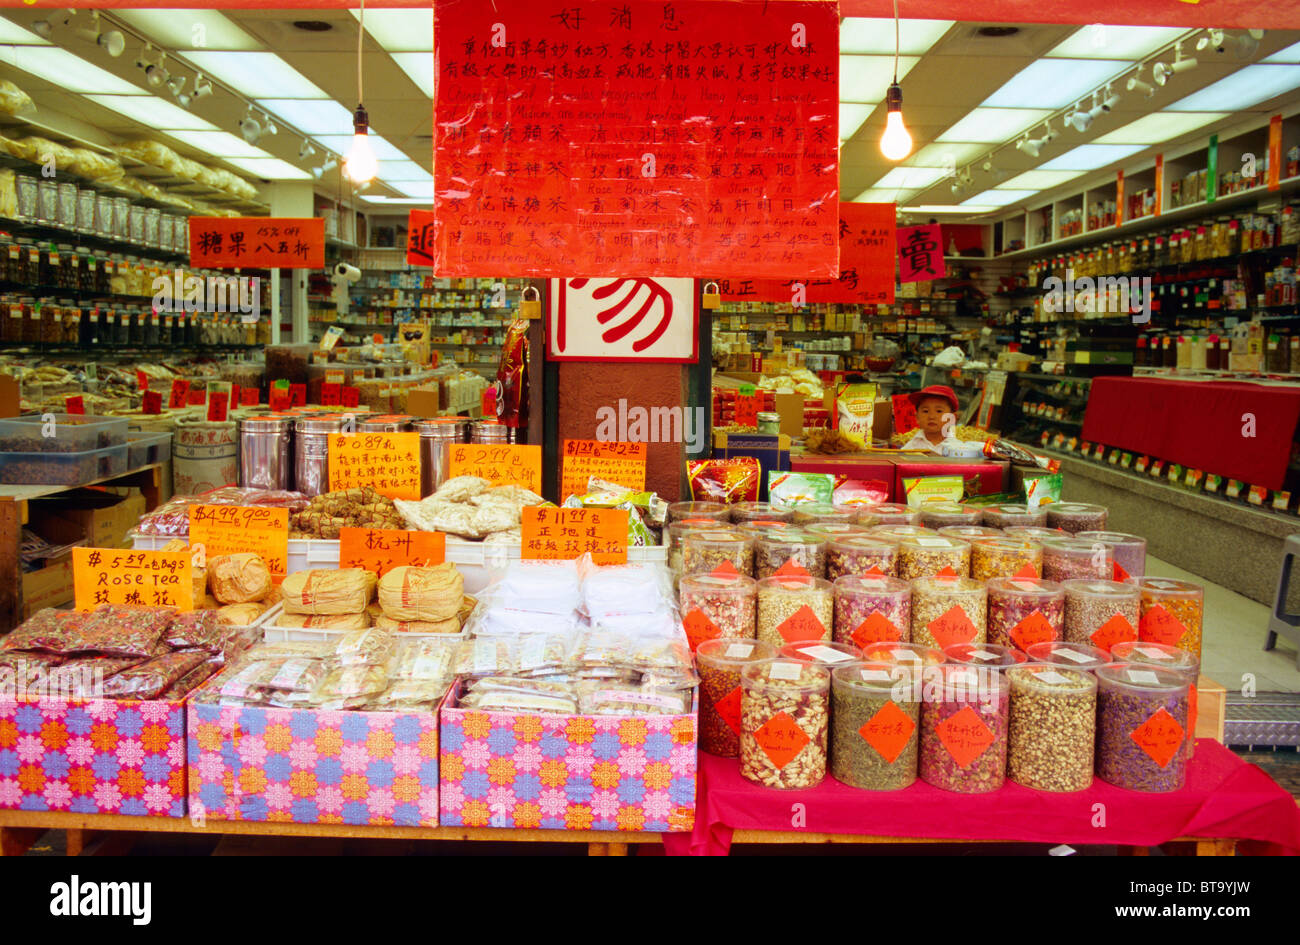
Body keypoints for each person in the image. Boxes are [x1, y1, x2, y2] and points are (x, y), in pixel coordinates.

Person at [900, 385, 961, 454]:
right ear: (917, 417)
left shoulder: (958, 448)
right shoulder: (911, 447)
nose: (931, 417)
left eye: (939, 411)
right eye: (925, 411)